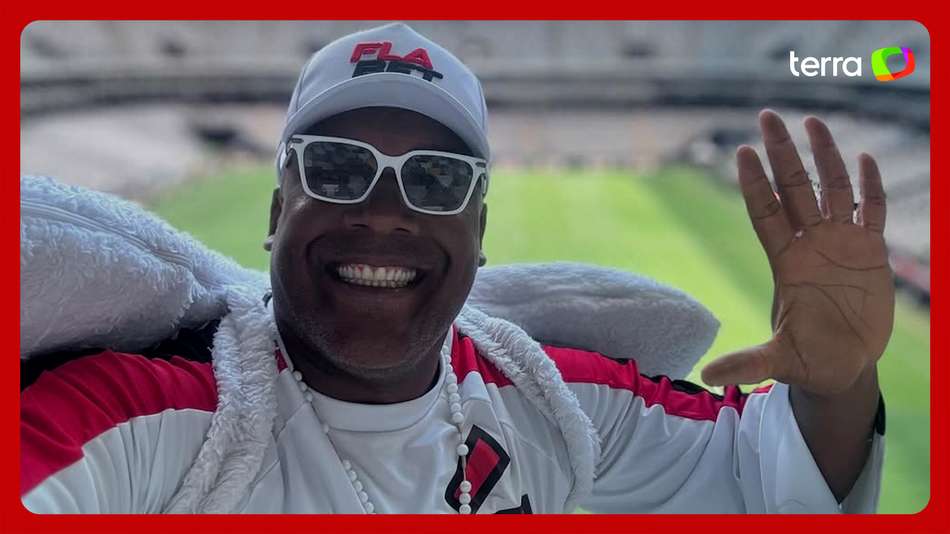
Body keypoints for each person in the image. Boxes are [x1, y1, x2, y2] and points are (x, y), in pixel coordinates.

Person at [20, 22, 892, 514]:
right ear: (279, 211)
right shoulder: (141, 419)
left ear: (478, 229)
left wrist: (839, 383)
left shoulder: (557, 401)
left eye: (436, 180)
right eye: (338, 167)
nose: (384, 211)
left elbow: (760, 476)